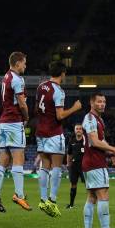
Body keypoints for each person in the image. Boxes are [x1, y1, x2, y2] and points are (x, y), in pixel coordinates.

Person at [35, 61, 82, 217]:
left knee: (44, 166)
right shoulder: (58, 91)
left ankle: (42, 200)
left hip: (40, 130)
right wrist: (75, 108)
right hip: (53, 132)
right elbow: (59, 115)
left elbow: (38, 109)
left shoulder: (41, 86)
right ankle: (52, 201)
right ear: (63, 73)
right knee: (56, 167)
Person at [0, 51, 30, 212]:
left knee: (3, 159)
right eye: (24, 63)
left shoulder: (6, 76)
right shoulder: (18, 79)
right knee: (18, 158)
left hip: (3, 123)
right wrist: (26, 117)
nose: (25, 66)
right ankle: (19, 195)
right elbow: (22, 104)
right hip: (13, 122)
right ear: (18, 63)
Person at [81, 93, 115, 228]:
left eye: (104, 102)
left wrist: (110, 154)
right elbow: (94, 141)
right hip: (95, 162)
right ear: (92, 103)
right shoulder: (91, 119)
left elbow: (101, 141)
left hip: (91, 161)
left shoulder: (99, 120)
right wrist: (113, 149)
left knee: (92, 197)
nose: (102, 104)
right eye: (99, 102)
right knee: (103, 195)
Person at [66, 124, 85, 209]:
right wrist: (68, 164)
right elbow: (69, 154)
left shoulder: (86, 141)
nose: (78, 130)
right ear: (74, 130)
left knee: (88, 185)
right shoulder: (71, 141)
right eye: (77, 129)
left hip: (84, 166)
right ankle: (71, 204)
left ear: (82, 130)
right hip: (73, 166)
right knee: (73, 184)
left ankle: (92, 202)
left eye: (80, 129)